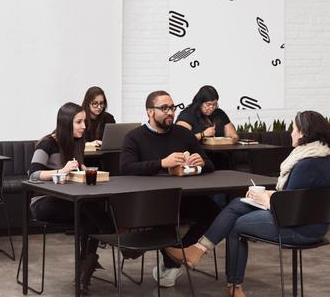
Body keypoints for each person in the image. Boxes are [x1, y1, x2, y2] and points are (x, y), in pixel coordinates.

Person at [166, 111, 330, 297]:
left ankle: (233, 285)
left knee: (236, 225)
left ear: (303, 134)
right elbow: (296, 196)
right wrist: (267, 194)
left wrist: (264, 199)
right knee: (238, 204)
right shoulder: (321, 157)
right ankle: (197, 251)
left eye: (293, 129)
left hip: (300, 229)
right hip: (312, 223)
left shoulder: (306, 164)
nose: (290, 133)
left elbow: (288, 207)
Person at [119, 90, 220, 287]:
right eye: (164, 108)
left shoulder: (183, 134)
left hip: (185, 198)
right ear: (150, 112)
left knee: (216, 213)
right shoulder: (134, 137)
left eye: (172, 108)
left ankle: (177, 252)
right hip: (152, 202)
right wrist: (161, 163)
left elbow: (209, 165)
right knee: (165, 215)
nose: (170, 112)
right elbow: (125, 168)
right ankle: (172, 262)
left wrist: (200, 162)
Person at [28, 102, 113, 295]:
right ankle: (113, 231)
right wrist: (61, 171)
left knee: (88, 218)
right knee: (87, 208)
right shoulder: (47, 143)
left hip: (70, 202)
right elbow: (32, 174)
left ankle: (84, 274)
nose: (85, 126)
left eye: (84, 121)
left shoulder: (78, 142)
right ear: (66, 123)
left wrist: (82, 169)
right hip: (43, 202)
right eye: (79, 122)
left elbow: (76, 169)